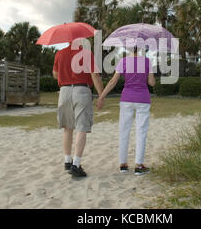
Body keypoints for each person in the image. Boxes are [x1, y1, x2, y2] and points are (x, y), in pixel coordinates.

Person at [97, 47, 155, 175]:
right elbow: (151, 83)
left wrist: (102, 96)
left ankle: (123, 165)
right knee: (141, 132)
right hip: (143, 99)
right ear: (139, 48)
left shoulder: (123, 61)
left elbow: (113, 81)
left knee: (124, 131)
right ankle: (139, 165)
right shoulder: (147, 61)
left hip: (126, 99)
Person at [53, 41, 103, 178]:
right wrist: (101, 95)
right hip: (81, 90)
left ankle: (67, 161)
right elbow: (95, 75)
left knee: (67, 128)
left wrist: (65, 76)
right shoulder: (86, 53)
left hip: (64, 91)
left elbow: (55, 74)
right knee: (81, 127)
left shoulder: (59, 53)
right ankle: (76, 164)